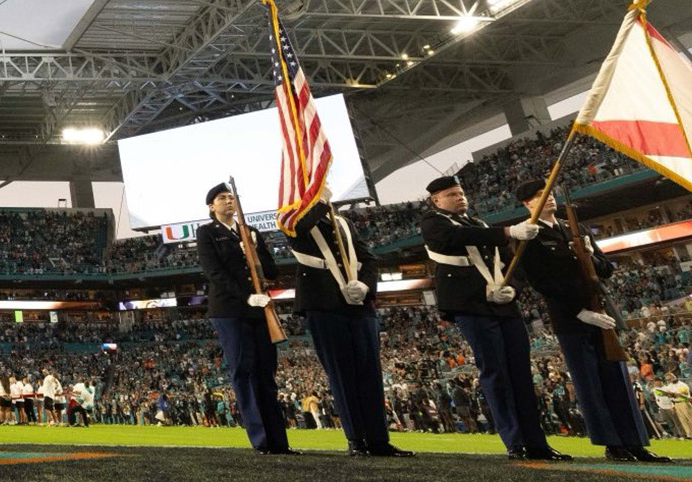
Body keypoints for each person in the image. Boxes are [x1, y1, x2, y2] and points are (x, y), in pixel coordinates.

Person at [512, 180, 668, 463]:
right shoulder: (529, 235)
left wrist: (590, 253)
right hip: (572, 319)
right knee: (590, 384)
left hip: (600, 313)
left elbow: (606, 270)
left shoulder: (576, 228)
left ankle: (635, 443)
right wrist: (578, 312)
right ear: (527, 204)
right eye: (538, 196)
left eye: (548, 193)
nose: (547, 199)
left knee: (617, 381)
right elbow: (541, 282)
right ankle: (613, 444)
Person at [419, 175, 567, 461]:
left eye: (460, 192)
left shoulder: (480, 225)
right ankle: (515, 441)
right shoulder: (433, 222)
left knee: (520, 374)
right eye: (450, 194)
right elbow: (455, 239)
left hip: (503, 304)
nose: (459, 197)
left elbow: (512, 264)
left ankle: (537, 442)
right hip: (471, 305)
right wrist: (509, 231)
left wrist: (514, 288)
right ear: (435, 201)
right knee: (496, 372)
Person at [281, 200, 412, 458]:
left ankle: (378, 440)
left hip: (358, 304)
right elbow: (298, 228)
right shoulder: (292, 218)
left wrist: (365, 285)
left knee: (370, 374)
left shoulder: (343, 222)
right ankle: (357, 439)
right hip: (324, 303)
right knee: (342, 374)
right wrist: (316, 201)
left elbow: (368, 258)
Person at [195, 183, 293, 455]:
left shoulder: (249, 232)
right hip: (230, 309)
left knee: (266, 372)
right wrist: (246, 297)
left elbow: (271, 271)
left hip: (260, 309)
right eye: (221, 198)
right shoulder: (207, 233)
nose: (228, 201)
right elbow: (214, 273)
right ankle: (261, 440)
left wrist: (254, 245)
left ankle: (279, 441)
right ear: (211, 206)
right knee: (244, 371)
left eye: (230, 197)